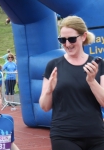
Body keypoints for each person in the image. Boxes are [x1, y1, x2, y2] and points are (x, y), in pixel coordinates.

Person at [39, 15, 104, 150]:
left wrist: (92, 81)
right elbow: (44, 107)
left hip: (96, 134)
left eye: (72, 39)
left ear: (83, 36)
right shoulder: (53, 65)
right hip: (64, 135)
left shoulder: (98, 65)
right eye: (62, 40)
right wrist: (49, 90)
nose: (67, 44)